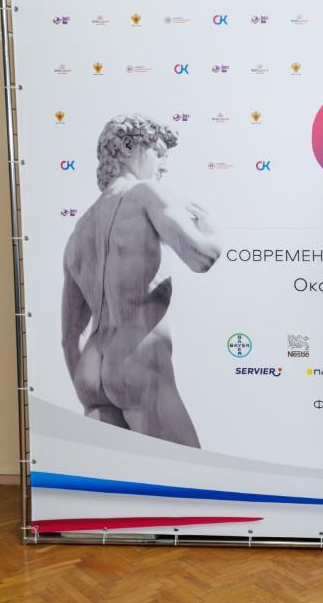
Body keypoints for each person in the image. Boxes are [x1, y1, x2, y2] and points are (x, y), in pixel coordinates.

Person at [61, 114, 222, 448]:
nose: (164, 164)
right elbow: (202, 256)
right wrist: (211, 230)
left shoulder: (78, 233)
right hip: (137, 355)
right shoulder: (146, 193)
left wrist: (86, 382)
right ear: (127, 146)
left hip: (90, 370)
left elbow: (69, 337)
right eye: (158, 152)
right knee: (188, 471)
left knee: (120, 477)